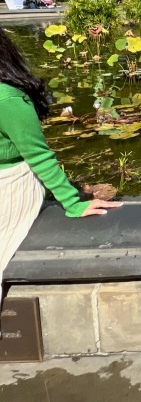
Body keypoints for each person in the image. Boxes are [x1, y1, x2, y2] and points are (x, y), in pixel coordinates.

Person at [0, 28, 122, 300]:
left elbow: (38, 156)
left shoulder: (5, 98)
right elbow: (39, 156)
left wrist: (73, 200)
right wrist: (74, 201)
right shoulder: (7, 98)